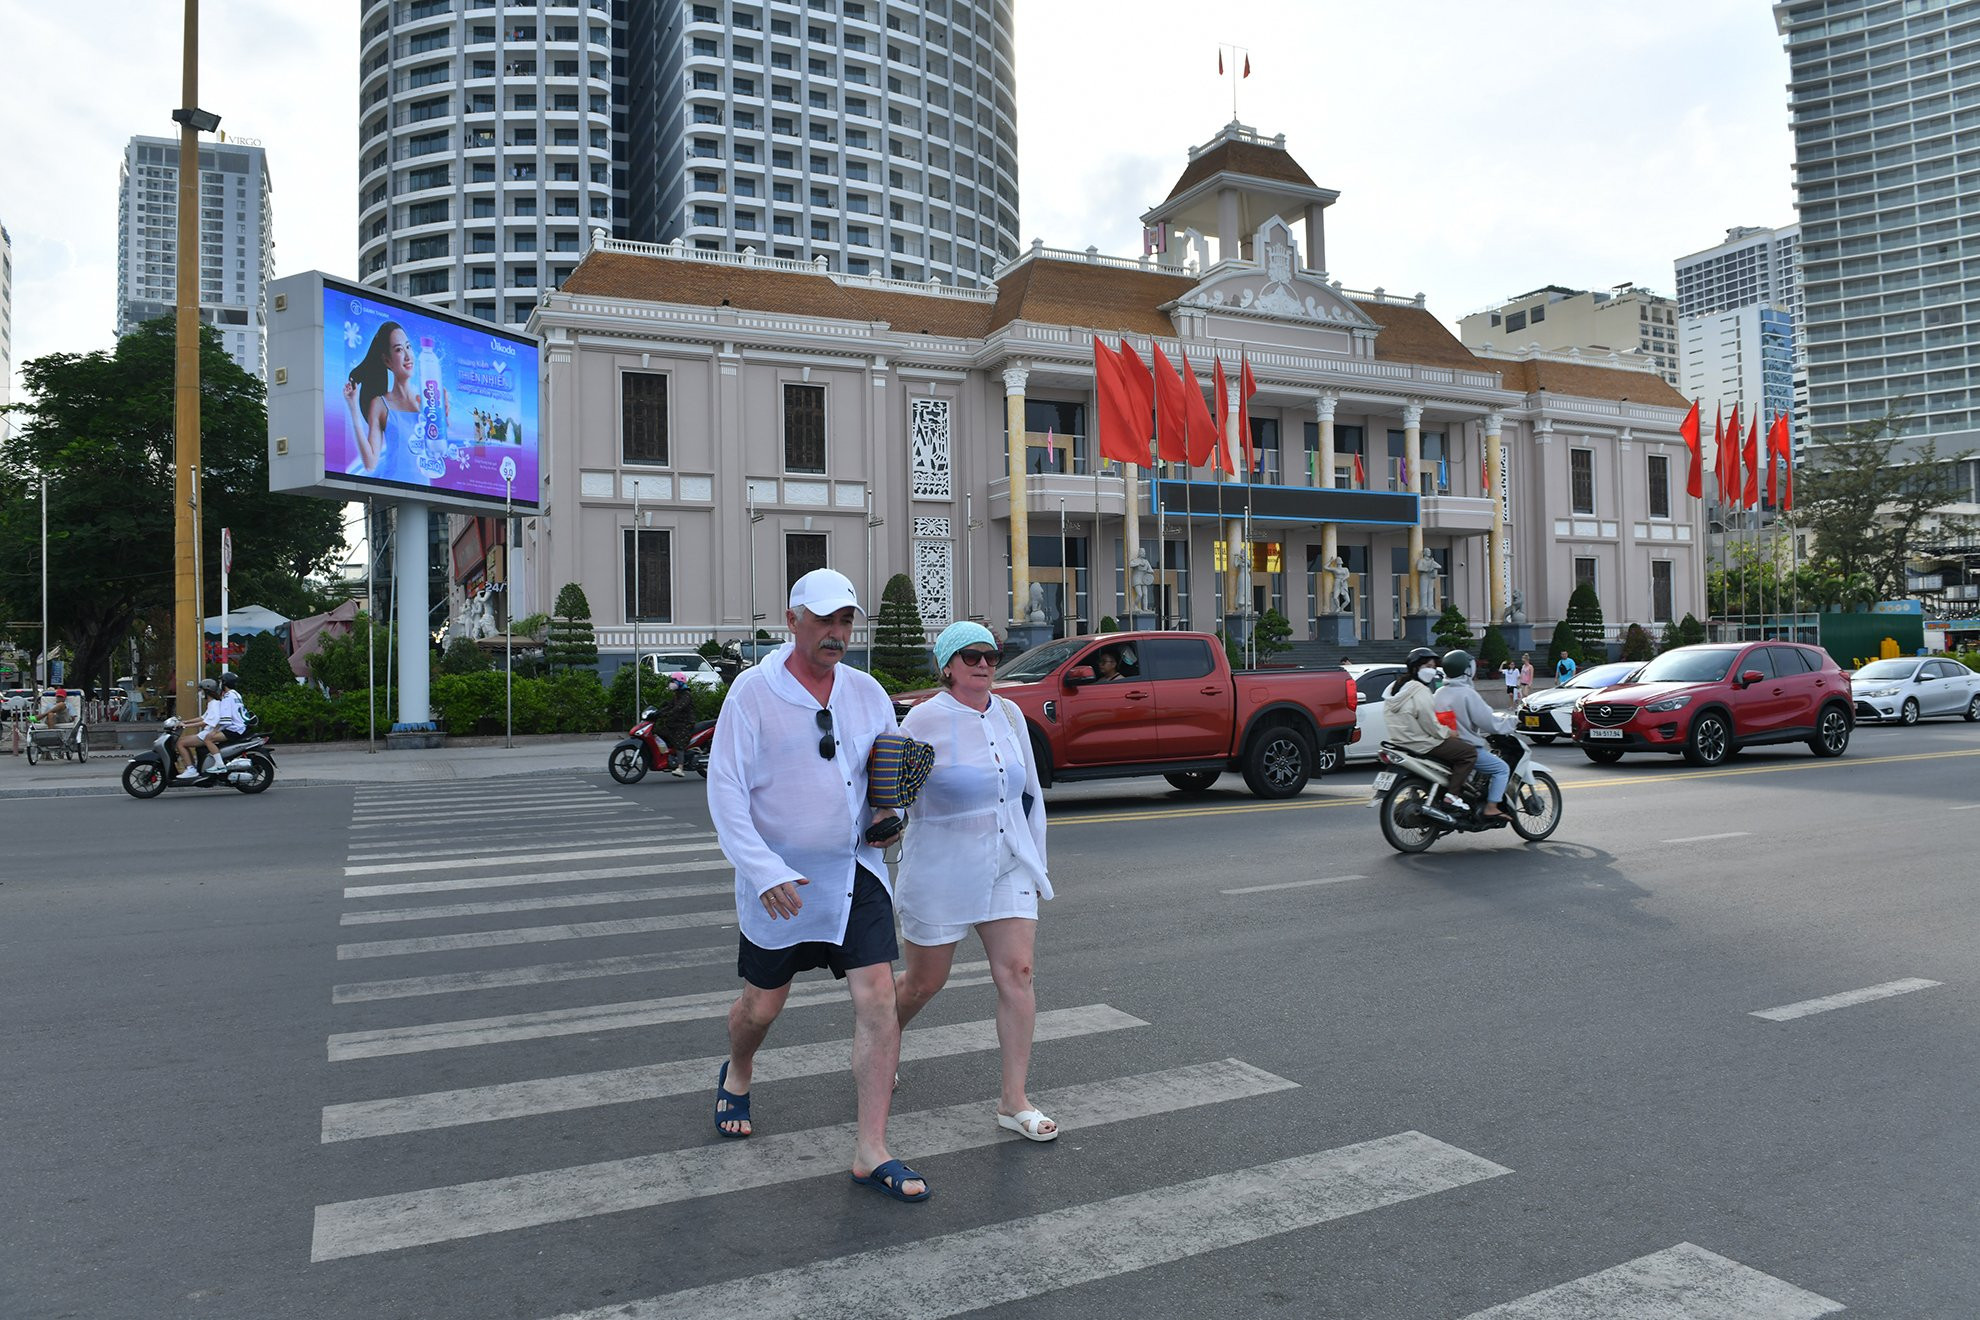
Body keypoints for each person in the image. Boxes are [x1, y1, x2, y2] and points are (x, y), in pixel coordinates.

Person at [705, 569, 929, 1201]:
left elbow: (881, 784)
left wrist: (890, 820)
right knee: (761, 1008)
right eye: (826, 620)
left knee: (879, 1000)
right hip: (780, 883)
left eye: (847, 621)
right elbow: (725, 794)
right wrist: (764, 869)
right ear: (792, 618)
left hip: (853, 873)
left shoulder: (867, 693)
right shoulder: (752, 694)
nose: (838, 633)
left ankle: (871, 1150)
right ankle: (740, 1071)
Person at [894, 621, 1058, 1142]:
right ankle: (882, 1034)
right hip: (943, 866)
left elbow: (1028, 792)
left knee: (1019, 972)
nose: (984, 664)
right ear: (947, 666)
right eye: (970, 657)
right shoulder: (922, 720)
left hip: (1007, 860)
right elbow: (892, 796)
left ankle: (1014, 1101)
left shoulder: (1010, 713)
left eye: (990, 654)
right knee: (924, 983)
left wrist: (1036, 865)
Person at [1381, 647, 1477, 810]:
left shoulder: (1396, 687)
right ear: (1415, 667)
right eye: (1428, 666)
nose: (1432, 671)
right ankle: (1452, 796)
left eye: (1433, 667)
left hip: (1399, 741)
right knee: (1468, 753)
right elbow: (1430, 724)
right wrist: (1449, 733)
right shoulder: (1420, 691)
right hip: (1421, 743)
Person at [341, 321, 430, 486]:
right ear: (387, 361)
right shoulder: (381, 404)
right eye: (398, 350)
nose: (407, 356)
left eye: (408, 347)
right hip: (393, 485)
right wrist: (353, 407)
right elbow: (370, 463)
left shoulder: (427, 401)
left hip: (426, 487)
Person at [1435, 650, 1510, 820]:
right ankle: (1491, 807)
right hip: (1467, 746)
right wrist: (1512, 722)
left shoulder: (1439, 693)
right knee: (1501, 768)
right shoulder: (1467, 693)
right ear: (1467, 670)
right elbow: (1488, 721)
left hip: (1445, 746)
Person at [655, 672, 696, 778]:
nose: (671, 684)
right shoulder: (677, 695)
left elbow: (678, 708)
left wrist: (668, 713)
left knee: (679, 743)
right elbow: (670, 706)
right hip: (675, 723)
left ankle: (680, 767)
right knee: (659, 732)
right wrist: (658, 712)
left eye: (673, 681)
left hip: (685, 724)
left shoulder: (686, 695)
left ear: (680, 682)